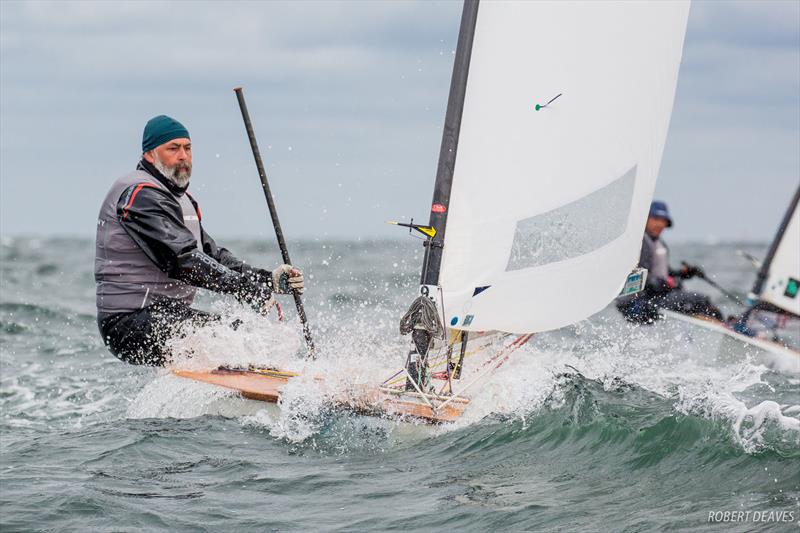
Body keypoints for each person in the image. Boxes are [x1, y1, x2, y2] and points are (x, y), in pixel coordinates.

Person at [95, 115, 305, 365]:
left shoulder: (180, 199)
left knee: (242, 334)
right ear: (150, 155)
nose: (183, 156)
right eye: (173, 149)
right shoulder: (140, 195)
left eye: (187, 148)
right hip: (128, 322)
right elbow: (182, 260)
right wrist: (245, 289)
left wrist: (265, 279)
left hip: (167, 314)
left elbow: (212, 255)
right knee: (230, 340)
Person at [617, 200, 723, 324]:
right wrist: (666, 283)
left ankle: (722, 328)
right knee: (701, 300)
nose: (660, 224)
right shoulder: (641, 243)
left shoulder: (658, 243)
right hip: (638, 304)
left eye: (663, 220)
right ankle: (728, 330)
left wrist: (685, 273)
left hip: (654, 299)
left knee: (689, 300)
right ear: (645, 219)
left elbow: (663, 273)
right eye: (656, 218)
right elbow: (638, 279)